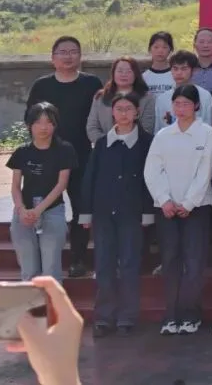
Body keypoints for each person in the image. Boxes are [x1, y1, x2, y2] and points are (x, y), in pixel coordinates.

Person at [25, 36, 102, 278]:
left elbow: (101, 117)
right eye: (62, 52)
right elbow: (30, 120)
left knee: (81, 208)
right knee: (45, 207)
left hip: (82, 156)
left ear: (80, 56)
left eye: (73, 51)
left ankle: (78, 260)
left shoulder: (92, 84)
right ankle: (42, 261)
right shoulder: (42, 86)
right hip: (48, 157)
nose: (68, 56)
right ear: (53, 58)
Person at [79, 91, 154, 338]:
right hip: (104, 213)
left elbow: (150, 179)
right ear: (112, 113)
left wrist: (147, 211)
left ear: (137, 113)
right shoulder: (102, 143)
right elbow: (90, 178)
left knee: (130, 264)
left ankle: (127, 317)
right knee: (104, 264)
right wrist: (86, 213)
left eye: (128, 109)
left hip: (132, 213)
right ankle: (104, 317)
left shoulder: (147, 142)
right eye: (119, 109)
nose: (123, 113)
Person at [143, 83, 212, 336]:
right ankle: (171, 315)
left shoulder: (206, 133)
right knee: (170, 260)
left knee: (194, 262)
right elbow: (152, 170)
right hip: (166, 209)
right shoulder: (164, 135)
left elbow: (205, 171)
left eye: (186, 104)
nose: (181, 108)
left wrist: (188, 203)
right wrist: (165, 200)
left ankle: (191, 314)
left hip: (197, 207)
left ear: (196, 106)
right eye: (177, 104)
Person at [7, 103, 77, 282]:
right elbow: (16, 186)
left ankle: (53, 300)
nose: (44, 127)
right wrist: (21, 209)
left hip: (52, 210)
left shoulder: (65, 150)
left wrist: (39, 210)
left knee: (51, 268)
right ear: (29, 125)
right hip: (24, 212)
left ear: (55, 125)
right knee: (28, 268)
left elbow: (61, 184)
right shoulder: (22, 152)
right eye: (38, 122)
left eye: (49, 122)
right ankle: (30, 300)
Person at [86, 57, 157, 141]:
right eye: (120, 71)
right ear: (113, 73)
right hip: (105, 146)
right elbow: (92, 127)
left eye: (128, 71)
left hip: (136, 146)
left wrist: (126, 145)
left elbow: (147, 128)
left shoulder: (147, 98)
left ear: (136, 74)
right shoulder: (100, 97)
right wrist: (107, 144)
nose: (124, 74)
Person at [154, 50, 212, 131]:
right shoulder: (162, 99)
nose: (179, 73)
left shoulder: (204, 96)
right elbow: (158, 129)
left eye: (184, 69)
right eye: (175, 69)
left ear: (194, 70)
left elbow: (208, 127)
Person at [142, 31, 176, 99]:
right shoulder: (143, 77)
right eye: (156, 47)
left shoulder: (176, 75)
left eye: (164, 47)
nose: (160, 51)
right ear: (150, 49)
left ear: (170, 50)